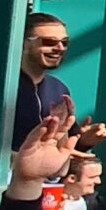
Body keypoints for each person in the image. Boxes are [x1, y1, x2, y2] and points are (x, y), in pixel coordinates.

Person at [13, 13, 77, 147]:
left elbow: (62, 141)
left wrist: (85, 140)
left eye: (64, 43)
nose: (60, 48)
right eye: (49, 42)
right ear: (24, 43)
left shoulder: (59, 89)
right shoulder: (3, 85)